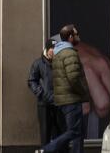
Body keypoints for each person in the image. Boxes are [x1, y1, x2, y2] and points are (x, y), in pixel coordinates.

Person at [41, 25, 89, 153]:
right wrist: (82, 92)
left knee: (75, 133)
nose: (79, 36)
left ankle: (47, 149)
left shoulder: (58, 53)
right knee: (74, 132)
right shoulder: (69, 53)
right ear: (71, 37)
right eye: (76, 34)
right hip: (72, 99)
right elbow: (73, 78)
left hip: (63, 100)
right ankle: (47, 149)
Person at [27, 40, 62, 146]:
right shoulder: (38, 63)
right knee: (45, 135)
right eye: (53, 49)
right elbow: (31, 81)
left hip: (59, 104)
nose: (55, 52)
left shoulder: (60, 63)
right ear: (47, 49)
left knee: (60, 136)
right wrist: (42, 94)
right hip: (44, 105)